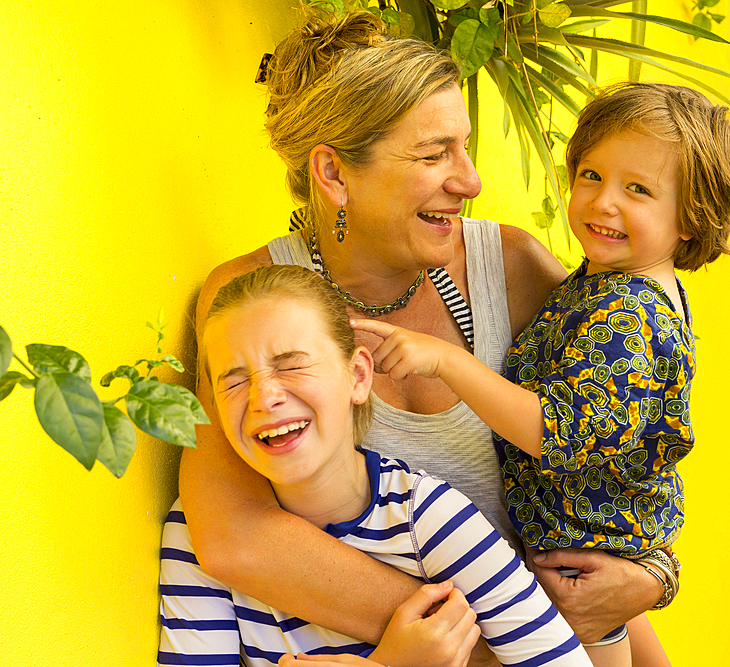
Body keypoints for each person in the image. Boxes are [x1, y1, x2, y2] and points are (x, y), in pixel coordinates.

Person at [178, 10, 668, 666]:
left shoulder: (514, 270)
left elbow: (611, 459)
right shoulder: (249, 301)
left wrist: (654, 572)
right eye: (434, 154)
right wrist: (456, 646)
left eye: (462, 147)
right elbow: (233, 535)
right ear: (333, 174)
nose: (470, 180)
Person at [351, 82, 730, 667]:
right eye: (591, 175)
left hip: (581, 571)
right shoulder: (602, 286)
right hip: (574, 553)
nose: (602, 203)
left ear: (691, 218)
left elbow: (555, 431)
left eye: (637, 190)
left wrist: (448, 361)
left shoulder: (629, 315)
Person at [158, 265, 591, 667]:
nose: (263, 396)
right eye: (234, 380)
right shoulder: (193, 530)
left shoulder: (430, 519)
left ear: (358, 377)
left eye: (292, 365)